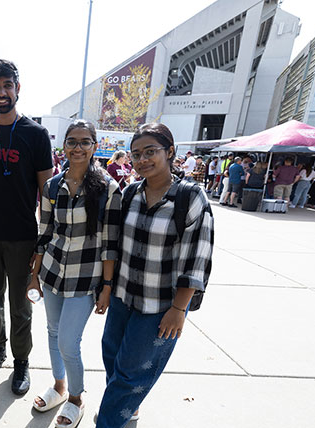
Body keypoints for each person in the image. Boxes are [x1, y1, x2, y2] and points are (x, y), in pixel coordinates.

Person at [96, 123, 213, 428]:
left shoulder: (190, 197)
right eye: (136, 155)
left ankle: (109, 421)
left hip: (159, 305)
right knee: (113, 357)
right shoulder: (132, 192)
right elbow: (117, 244)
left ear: (170, 152)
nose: (142, 160)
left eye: (151, 152)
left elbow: (196, 257)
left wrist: (178, 309)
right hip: (123, 296)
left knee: (131, 374)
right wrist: (107, 287)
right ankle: (127, 409)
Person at [27, 120, 121, 428]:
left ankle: (76, 398)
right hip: (52, 273)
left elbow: (109, 242)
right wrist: (34, 275)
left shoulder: (107, 187)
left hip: (85, 278)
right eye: (72, 141)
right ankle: (58, 386)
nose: (77, 148)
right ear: (63, 146)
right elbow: (44, 232)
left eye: (84, 142)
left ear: (95, 146)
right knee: (52, 333)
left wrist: (107, 286)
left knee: (69, 341)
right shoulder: (53, 185)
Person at [0, 59, 53, 396]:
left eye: (7, 85)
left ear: (18, 88)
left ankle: (21, 360)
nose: (1, 92)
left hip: (22, 236)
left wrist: (44, 240)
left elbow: (46, 192)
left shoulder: (36, 134)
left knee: (20, 305)